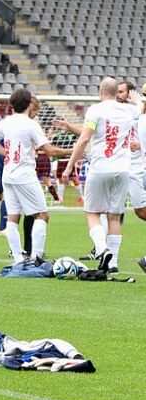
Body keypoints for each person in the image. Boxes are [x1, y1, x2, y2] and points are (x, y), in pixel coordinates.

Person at [0, 89, 71, 265]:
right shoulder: (31, 124)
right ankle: (36, 257)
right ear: (28, 104)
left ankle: (18, 258)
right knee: (42, 215)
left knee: (13, 217)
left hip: (8, 175)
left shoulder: (7, 122)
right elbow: (50, 151)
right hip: (24, 175)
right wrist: (74, 150)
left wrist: (7, 154)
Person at [62, 77, 138, 272]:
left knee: (93, 213)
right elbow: (140, 106)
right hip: (123, 170)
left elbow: (84, 139)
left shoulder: (95, 110)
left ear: (101, 91)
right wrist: (134, 100)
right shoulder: (130, 111)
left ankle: (102, 249)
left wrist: (70, 167)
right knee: (114, 217)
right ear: (117, 93)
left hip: (101, 167)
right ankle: (113, 264)